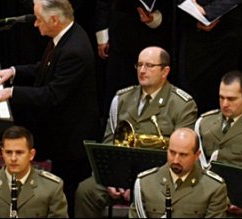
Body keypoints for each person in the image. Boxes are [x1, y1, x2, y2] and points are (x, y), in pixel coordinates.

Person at [0, 0, 99, 211]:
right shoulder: (66, 36)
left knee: (67, 197)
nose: (35, 24)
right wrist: (13, 71)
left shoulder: (74, 50)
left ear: (54, 20)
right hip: (65, 133)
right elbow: (45, 67)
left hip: (73, 139)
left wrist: (11, 92)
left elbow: (52, 94)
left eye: (39, 19)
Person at [74, 46, 197, 218]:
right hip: (121, 173)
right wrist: (112, 178)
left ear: (165, 71)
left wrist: (142, 184)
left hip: (159, 178)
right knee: (86, 191)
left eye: (149, 65)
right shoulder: (122, 98)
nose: (142, 70)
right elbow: (109, 141)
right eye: (139, 65)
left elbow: (183, 154)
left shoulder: (182, 104)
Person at [128, 127, 228, 218]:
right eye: (172, 152)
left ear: (197, 155)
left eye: (183, 155)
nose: (176, 160)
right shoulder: (145, 183)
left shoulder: (214, 188)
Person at [0, 126, 67, 218]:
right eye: (8, 152)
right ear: (2, 153)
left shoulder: (51, 187)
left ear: (31, 154)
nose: (13, 158)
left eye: (19, 152)